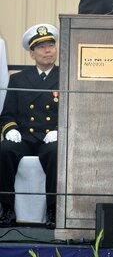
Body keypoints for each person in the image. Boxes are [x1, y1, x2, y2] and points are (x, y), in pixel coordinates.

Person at [0, 23, 59, 228]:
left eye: (51, 45)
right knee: (5, 149)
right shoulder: (18, 79)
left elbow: (74, 112)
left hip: (51, 137)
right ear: (32, 54)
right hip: (25, 136)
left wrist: (63, 130)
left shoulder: (66, 77)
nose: (48, 50)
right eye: (41, 47)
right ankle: (6, 208)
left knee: (56, 152)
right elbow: (7, 114)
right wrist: (11, 129)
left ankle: (54, 210)